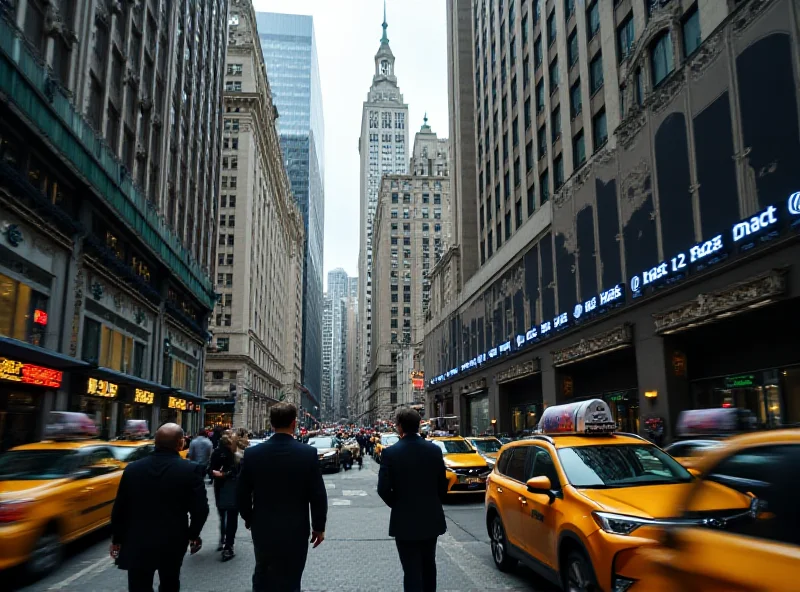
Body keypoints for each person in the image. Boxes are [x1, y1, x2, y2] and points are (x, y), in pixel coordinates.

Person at [237, 403, 328, 592]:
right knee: (292, 576)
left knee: (263, 572)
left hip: (263, 527)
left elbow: (241, 492)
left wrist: (248, 517)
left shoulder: (253, 454)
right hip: (296, 528)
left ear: (271, 424)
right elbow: (317, 494)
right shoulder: (307, 454)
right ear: (294, 424)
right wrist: (318, 527)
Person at [110, 423, 208, 592]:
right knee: (170, 582)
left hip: (137, 538)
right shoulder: (190, 470)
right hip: (173, 539)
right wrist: (193, 534)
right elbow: (200, 510)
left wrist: (117, 539)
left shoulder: (133, 469)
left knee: (139, 585)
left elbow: (120, 507)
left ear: (155, 442)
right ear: (180, 443)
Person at [377, 408, 447, 592]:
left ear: (399, 427)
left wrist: (399, 504)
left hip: (405, 521)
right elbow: (443, 486)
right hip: (431, 518)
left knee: (411, 571)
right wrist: (432, 501)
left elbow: (383, 489)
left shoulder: (390, 453)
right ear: (418, 426)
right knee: (429, 566)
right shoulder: (434, 450)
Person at [209, 433, 240, 560]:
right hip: (232, 487)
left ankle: (224, 540)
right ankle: (228, 544)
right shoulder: (236, 455)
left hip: (220, 486)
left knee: (223, 515)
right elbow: (238, 472)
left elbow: (210, 469)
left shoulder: (217, 452)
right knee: (232, 516)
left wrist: (215, 473)